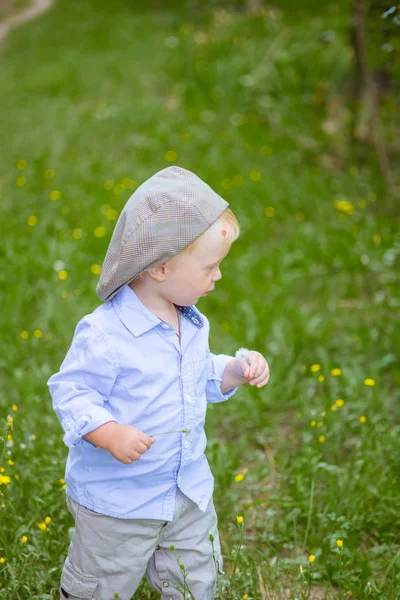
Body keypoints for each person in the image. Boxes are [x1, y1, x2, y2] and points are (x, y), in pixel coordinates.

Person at [48, 165, 270, 600]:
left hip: (185, 490)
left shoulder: (189, 320)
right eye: (211, 266)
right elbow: (72, 392)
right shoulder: (106, 334)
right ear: (161, 268)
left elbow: (198, 373)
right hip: (119, 503)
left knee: (195, 582)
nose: (218, 277)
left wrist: (234, 370)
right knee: (102, 585)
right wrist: (109, 433)